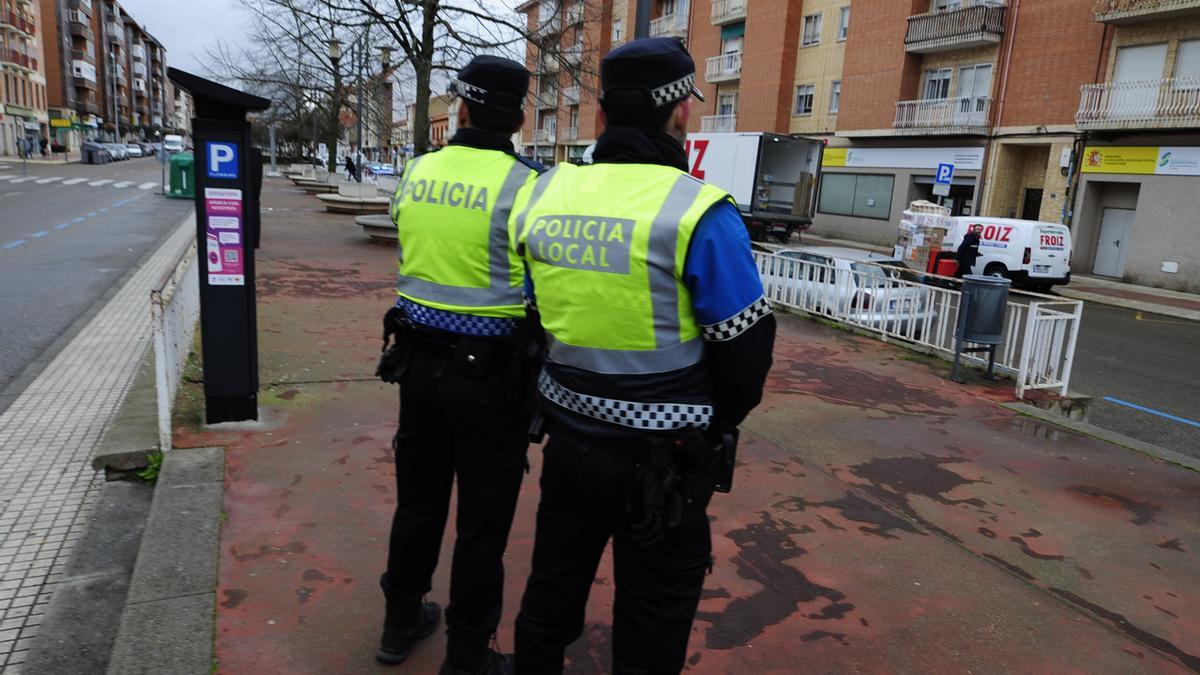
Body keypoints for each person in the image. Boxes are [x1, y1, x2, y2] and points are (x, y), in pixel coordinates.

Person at [510, 37, 776, 674]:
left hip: (570, 447)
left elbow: (535, 317)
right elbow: (745, 357)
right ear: (680, 111)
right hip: (666, 464)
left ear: (602, 117)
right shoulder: (697, 212)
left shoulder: (544, 195)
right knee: (653, 615)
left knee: (550, 592)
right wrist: (707, 423)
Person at [378, 54, 543, 675]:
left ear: (461, 108)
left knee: (417, 503)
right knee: (482, 527)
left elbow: (405, 233)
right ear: (518, 118)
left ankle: (399, 625)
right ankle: (467, 657)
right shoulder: (529, 186)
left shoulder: (416, 172)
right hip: (494, 380)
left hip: (416, 366)